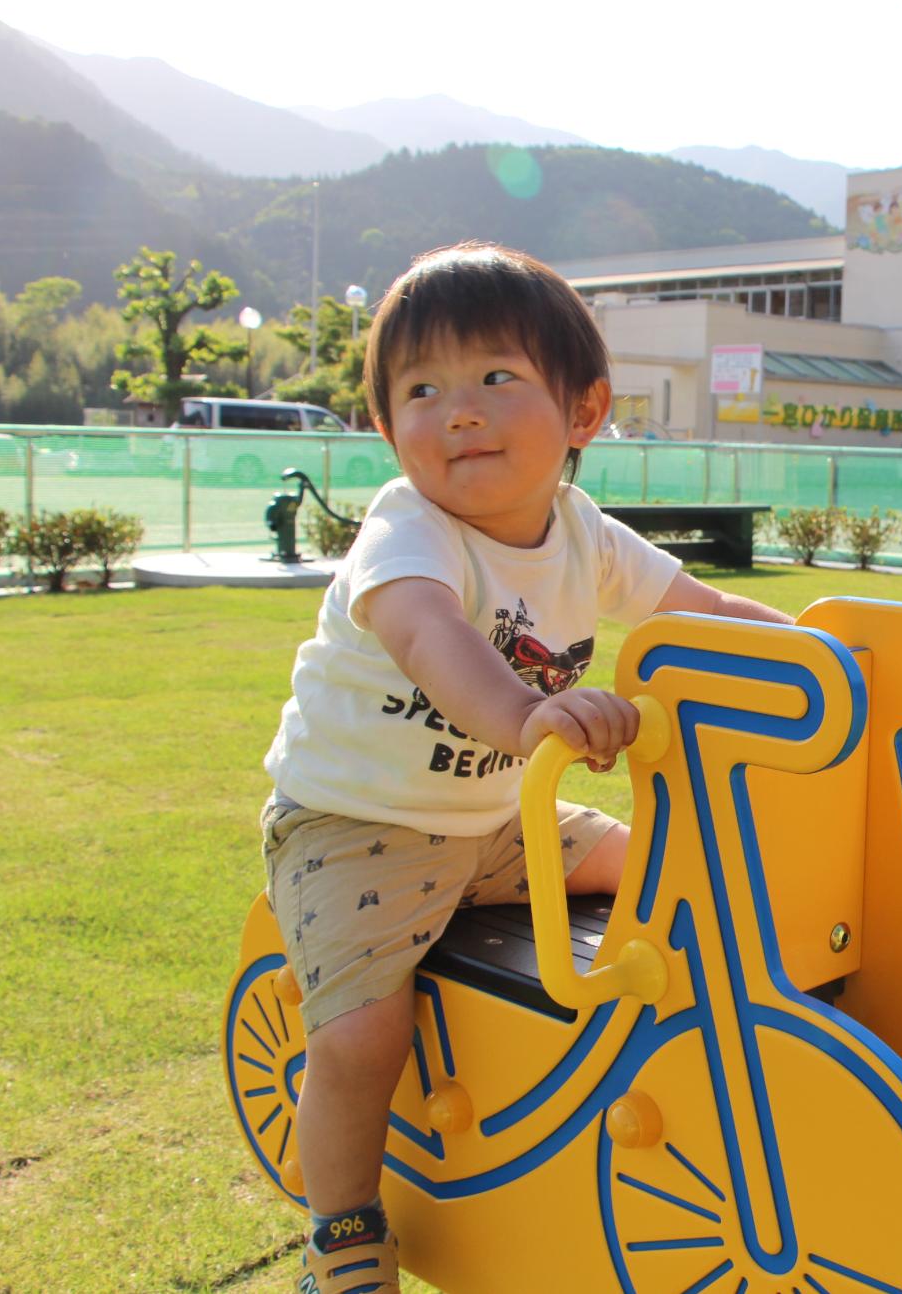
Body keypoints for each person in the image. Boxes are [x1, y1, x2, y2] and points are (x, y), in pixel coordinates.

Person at [259, 242, 791, 1293]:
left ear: (583, 411)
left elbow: (707, 613)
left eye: (495, 377)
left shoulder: (582, 532)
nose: (457, 411)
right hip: (351, 822)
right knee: (364, 1031)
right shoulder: (404, 533)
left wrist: (819, 652)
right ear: (386, 428)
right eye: (421, 390)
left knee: (663, 867)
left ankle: (687, 1062)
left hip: (493, 825)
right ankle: (344, 1228)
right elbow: (428, 640)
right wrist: (526, 712)